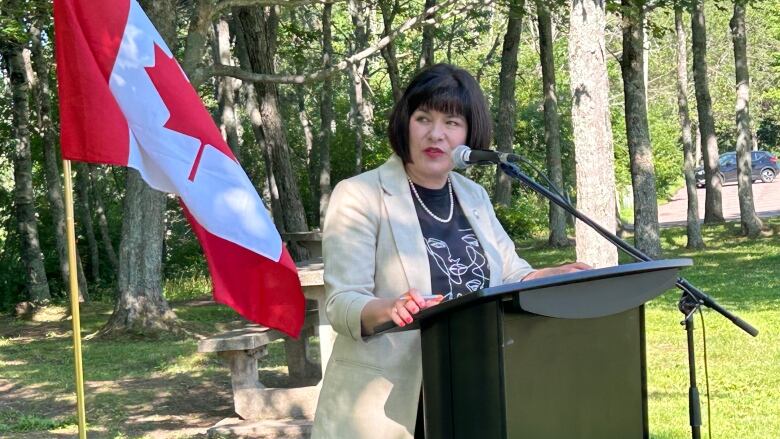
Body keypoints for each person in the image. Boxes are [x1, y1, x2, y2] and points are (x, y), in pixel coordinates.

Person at [311, 64, 589, 439]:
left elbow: (508, 273)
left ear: (469, 134)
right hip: (392, 409)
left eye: (452, 122)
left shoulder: (472, 195)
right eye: (423, 118)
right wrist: (391, 310)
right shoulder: (360, 195)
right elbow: (342, 303)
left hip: (473, 391)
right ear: (405, 123)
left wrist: (544, 276)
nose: (436, 134)